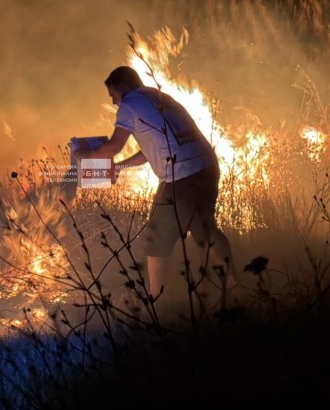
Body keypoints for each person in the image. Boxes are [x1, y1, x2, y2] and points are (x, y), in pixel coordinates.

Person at [73, 65, 237, 302]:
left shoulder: (129, 104)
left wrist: (84, 158)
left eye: (113, 97)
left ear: (123, 89)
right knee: (206, 229)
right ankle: (235, 287)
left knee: (156, 238)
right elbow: (153, 149)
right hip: (207, 166)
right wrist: (120, 167)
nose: (114, 103)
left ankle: (155, 300)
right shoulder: (161, 98)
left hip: (181, 174)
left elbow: (113, 147)